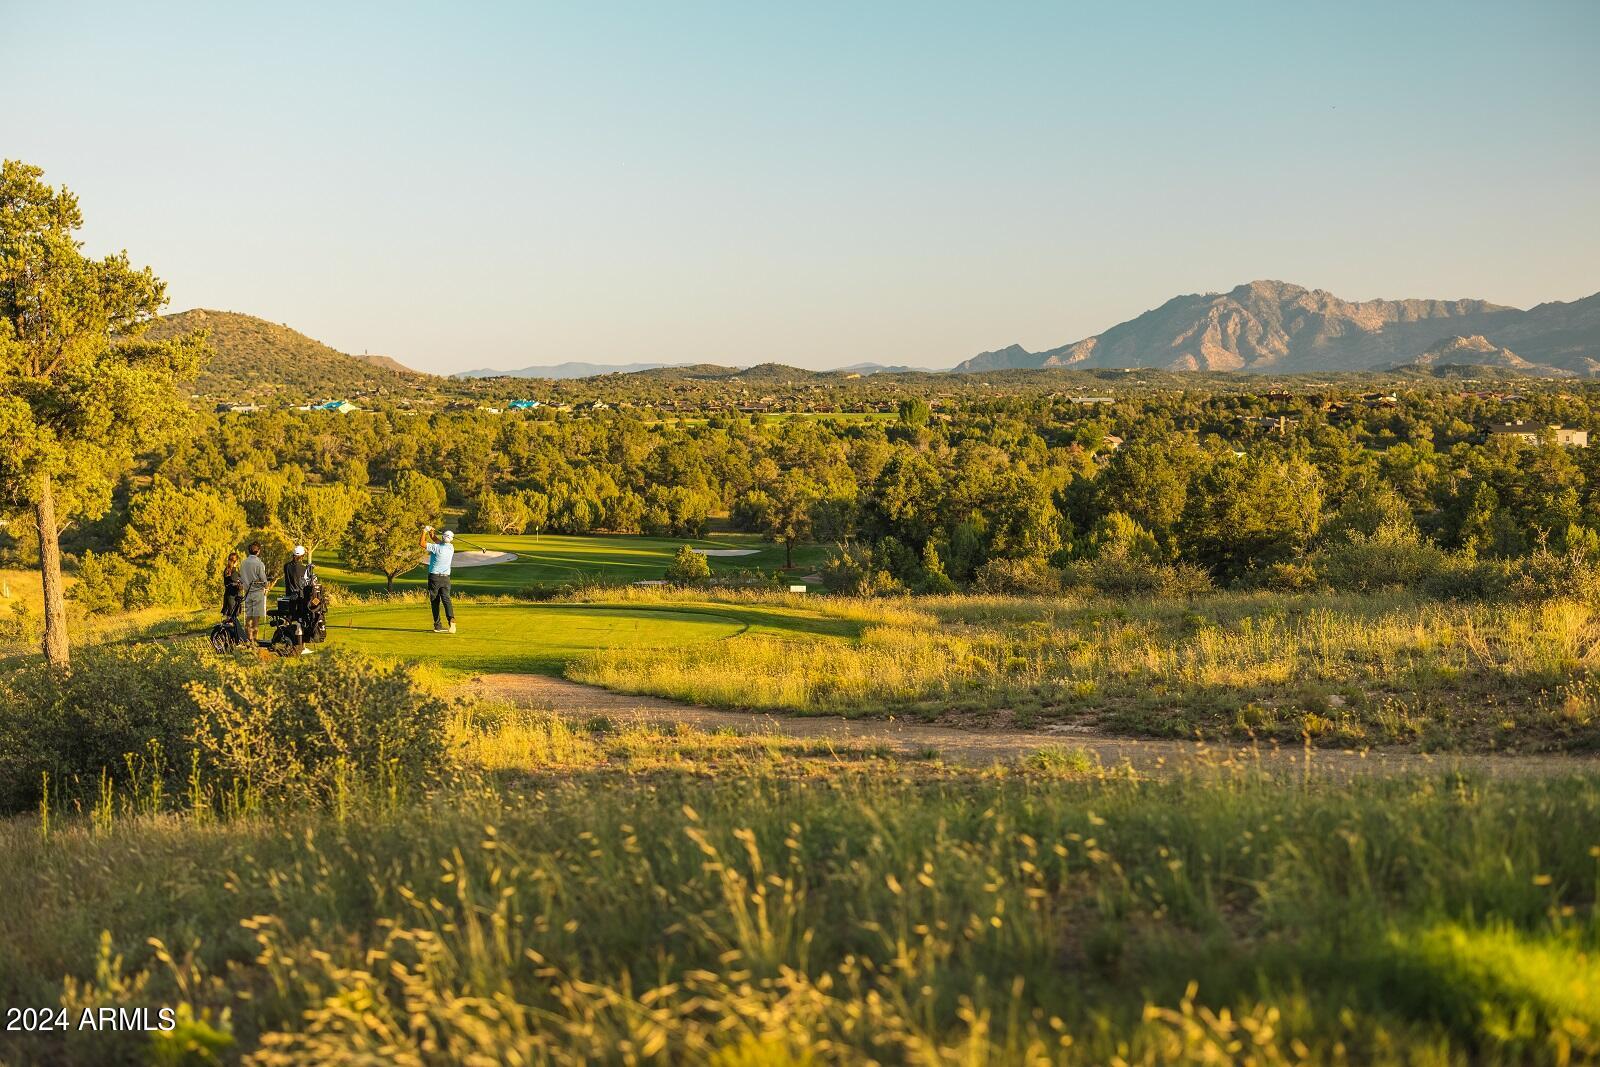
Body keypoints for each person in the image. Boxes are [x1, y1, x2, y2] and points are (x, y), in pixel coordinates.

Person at [420, 525, 456, 633]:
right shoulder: (451, 548)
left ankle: (438, 625)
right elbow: (436, 540)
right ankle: (451, 619)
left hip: (434, 577)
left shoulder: (436, 548)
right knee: (446, 599)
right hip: (446, 578)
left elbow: (421, 543)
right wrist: (431, 533)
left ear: (443, 537)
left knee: (435, 601)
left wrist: (424, 531)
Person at [238, 542, 270, 643]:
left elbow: (242, 577)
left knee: (248, 616)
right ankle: (254, 640)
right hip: (257, 592)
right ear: (258, 551)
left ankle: (248, 638)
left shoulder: (243, 563)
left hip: (247, 592)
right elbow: (264, 580)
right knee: (256, 617)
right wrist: (266, 585)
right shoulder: (259, 564)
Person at [221, 551, 244, 621]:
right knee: (232, 620)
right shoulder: (234, 573)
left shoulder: (227, 570)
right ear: (236, 561)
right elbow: (237, 585)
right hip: (233, 598)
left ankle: (224, 631)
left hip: (228, 597)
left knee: (229, 619)